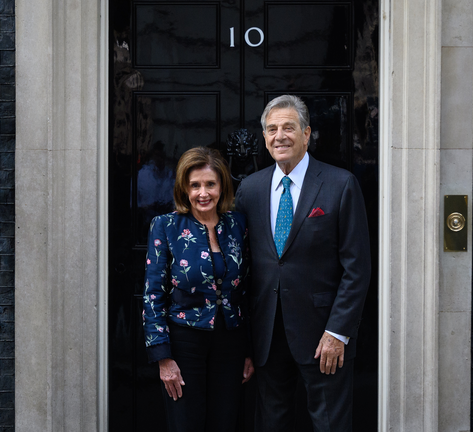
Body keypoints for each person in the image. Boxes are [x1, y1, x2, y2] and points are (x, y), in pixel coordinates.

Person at [235, 95, 371, 432]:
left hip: (323, 334)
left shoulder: (340, 185)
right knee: (271, 422)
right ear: (264, 138)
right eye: (271, 129)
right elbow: (243, 264)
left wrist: (338, 332)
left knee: (329, 424)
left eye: (288, 127)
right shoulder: (249, 190)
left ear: (307, 134)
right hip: (267, 333)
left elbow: (357, 268)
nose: (279, 135)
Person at [142, 146, 254, 432]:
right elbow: (153, 293)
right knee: (186, 423)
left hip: (230, 342)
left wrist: (249, 351)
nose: (203, 193)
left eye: (210, 184)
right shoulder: (165, 226)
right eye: (195, 185)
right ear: (184, 188)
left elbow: (250, 289)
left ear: (222, 187)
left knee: (225, 422)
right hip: (184, 343)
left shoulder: (237, 225)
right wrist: (163, 357)